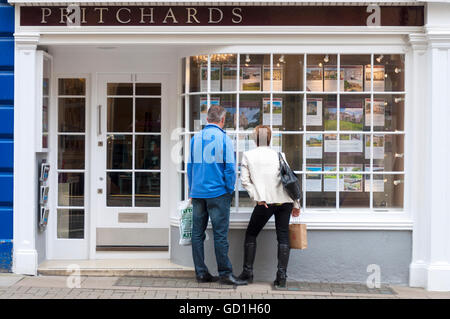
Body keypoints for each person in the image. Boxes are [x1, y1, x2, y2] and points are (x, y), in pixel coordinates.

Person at [187, 105, 247, 286]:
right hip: (218, 192)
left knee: (197, 234)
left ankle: (201, 273)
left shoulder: (195, 138)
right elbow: (230, 168)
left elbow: (190, 166)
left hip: (197, 193)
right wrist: (229, 189)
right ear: (222, 120)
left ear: (207, 119)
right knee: (220, 235)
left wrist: (191, 189)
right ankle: (225, 274)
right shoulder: (224, 139)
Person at [238, 125, 301, 288]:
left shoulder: (248, 155)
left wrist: (257, 197)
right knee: (283, 237)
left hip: (265, 202)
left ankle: (248, 273)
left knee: (251, 234)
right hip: (285, 201)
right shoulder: (280, 155)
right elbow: (290, 180)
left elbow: (245, 181)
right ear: (270, 138)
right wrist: (296, 203)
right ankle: (282, 277)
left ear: (255, 138)